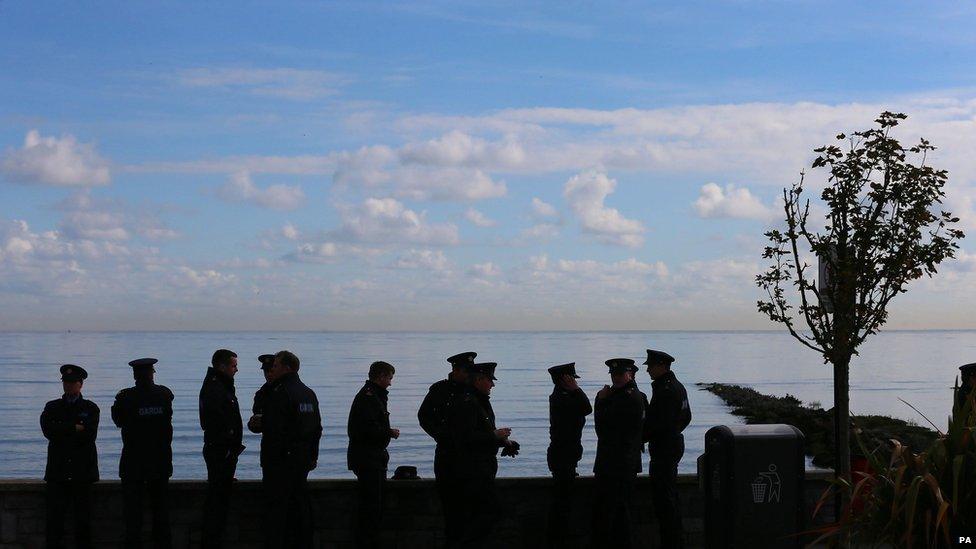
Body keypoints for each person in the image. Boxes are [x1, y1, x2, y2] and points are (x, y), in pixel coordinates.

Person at [447, 361, 519, 547]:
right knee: (487, 512)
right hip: (473, 470)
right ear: (478, 379)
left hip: (482, 468)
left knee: (483, 513)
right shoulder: (467, 403)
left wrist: (504, 441)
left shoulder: (479, 401)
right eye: (489, 380)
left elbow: (482, 432)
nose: (492, 385)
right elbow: (465, 437)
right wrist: (494, 435)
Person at [261, 350, 322, 549]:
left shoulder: (280, 393)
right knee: (301, 507)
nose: (272, 369)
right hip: (302, 460)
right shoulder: (308, 392)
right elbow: (316, 427)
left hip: (281, 462)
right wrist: (312, 455)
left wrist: (260, 422)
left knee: (278, 513)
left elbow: (275, 429)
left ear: (287, 368)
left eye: (276, 366)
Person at [112, 357, 174, 549]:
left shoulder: (124, 398)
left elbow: (118, 421)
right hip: (159, 461)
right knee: (161, 512)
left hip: (133, 463)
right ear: (152, 374)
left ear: (135, 376)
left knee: (133, 515)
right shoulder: (164, 394)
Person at [417, 351, 477, 546]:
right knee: (450, 507)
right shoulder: (439, 390)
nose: (469, 375)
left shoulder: (472, 390)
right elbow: (424, 416)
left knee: (469, 508)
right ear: (455, 370)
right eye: (466, 371)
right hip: (447, 456)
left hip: (468, 457)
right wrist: (440, 435)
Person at [40, 364, 99, 549]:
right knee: (54, 522)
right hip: (58, 473)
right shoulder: (52, 406)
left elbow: (89, 435)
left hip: (82, 473)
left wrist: (62, 430)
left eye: (73, 382)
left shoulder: (90, 408)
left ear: (81, 384)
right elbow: (49, 431)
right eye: (66, 382)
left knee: (83, 523)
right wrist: (74, 427)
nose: (68, 385)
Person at [590, 358, 646, 549]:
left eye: (620, 374)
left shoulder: (627, 397)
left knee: (616, 513)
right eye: (614, 374)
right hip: (622, 462)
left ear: (629, 374)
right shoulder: (631, 394)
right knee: (618, 512)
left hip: (617, 464)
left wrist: (600, 400)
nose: (616, 378)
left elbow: (603, 428)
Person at [347, 361, 401, 549]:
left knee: (372, 506)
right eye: (389, 378)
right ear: (381, 376)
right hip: (368, 459)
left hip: (370, 458)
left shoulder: (372, 396)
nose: (390, 383)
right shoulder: (369, 398)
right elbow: (365, 430)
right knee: (371, 507)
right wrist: (388, 432)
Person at [642, 349, 691, 549]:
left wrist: (640, 437)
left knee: (664, 502)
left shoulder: (666, 391)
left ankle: (671, 542)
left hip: (664, 449)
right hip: (672, 445)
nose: (648, 371)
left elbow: (655, 424)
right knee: (670, 497)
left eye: (651, 366)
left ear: (661, 366)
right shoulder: (677, 387)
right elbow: (686, 416)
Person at [199, 349, 244, 548]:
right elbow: (216, 422)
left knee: (220, 498)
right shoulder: (215, 388)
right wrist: (226, 451)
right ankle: (212, 541)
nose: (237, 370)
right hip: (220, 452)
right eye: (234, 366)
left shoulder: (220, 386)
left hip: (223, 453)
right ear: (222, 366)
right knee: (217, 502)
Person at [545, 362, 592, 548]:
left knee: (562, 502)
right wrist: (576, 389)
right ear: (565, 380)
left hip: (564, 455)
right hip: (563, 456)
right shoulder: (563, 399)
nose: (574, 382)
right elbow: (587, 408)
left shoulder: (561, 397)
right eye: (571, 379)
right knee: (561, 505)